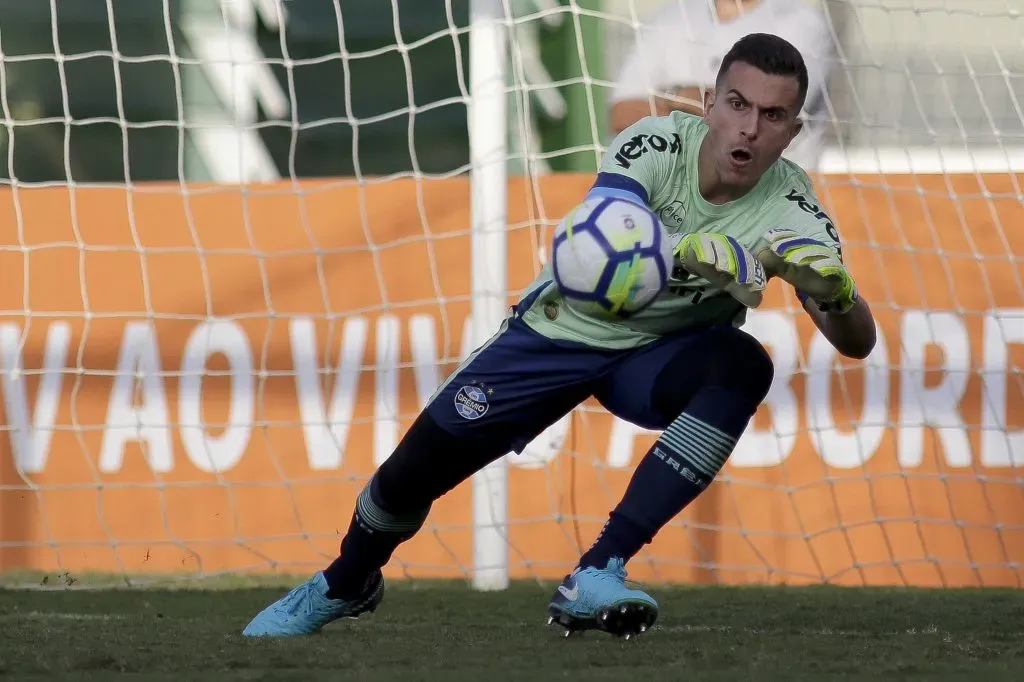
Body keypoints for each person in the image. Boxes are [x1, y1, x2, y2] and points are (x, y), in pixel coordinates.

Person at [242, 32, 875, 640]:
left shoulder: (795, 208)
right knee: (408, 479)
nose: (749, 127)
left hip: (656, 357)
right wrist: (686, 248)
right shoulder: (653, 142)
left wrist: (835, 294)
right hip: (559, 331)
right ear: (708, 104)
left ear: (793, 132)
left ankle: (599, 570)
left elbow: (856, 342)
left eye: (772, 115)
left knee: (742, 365)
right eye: (737, 105)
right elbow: (604, 230)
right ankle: (344, 582)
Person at [610, 0, 836, 171]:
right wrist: (699, 101)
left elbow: (758, 108)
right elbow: (622, 112)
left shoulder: (801, 22)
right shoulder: (672, 15)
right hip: (673, 194)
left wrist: (668, 98)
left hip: (769, 205)